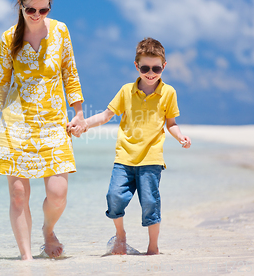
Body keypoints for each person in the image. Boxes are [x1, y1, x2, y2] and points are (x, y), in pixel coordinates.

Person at [0, 0, 87, 260]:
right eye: (31, 10)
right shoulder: (8, 38)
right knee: (17, 194)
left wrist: (79, 114)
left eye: (43, 10)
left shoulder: (61, 32)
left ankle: (48, 230)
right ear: (21, 6)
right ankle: (26, 261)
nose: (37, 16)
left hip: (54, 123)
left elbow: (70, 75)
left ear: (50, 6)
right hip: (17, 123)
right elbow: (0, 82)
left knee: (58, 193)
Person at [68, 37, 191, 255]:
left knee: (150, 203)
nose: (151, 72)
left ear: (164, 66)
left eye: (156, 68)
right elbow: (107, 115)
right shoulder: (126, 91)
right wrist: (84, 124)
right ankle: (121, 236)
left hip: (152, 159)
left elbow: (170, 123)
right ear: (137, 66)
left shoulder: (169, 93)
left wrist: (180, 136)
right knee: (114, 198)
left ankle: (153, 247)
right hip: (124, 158)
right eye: (145, 67)